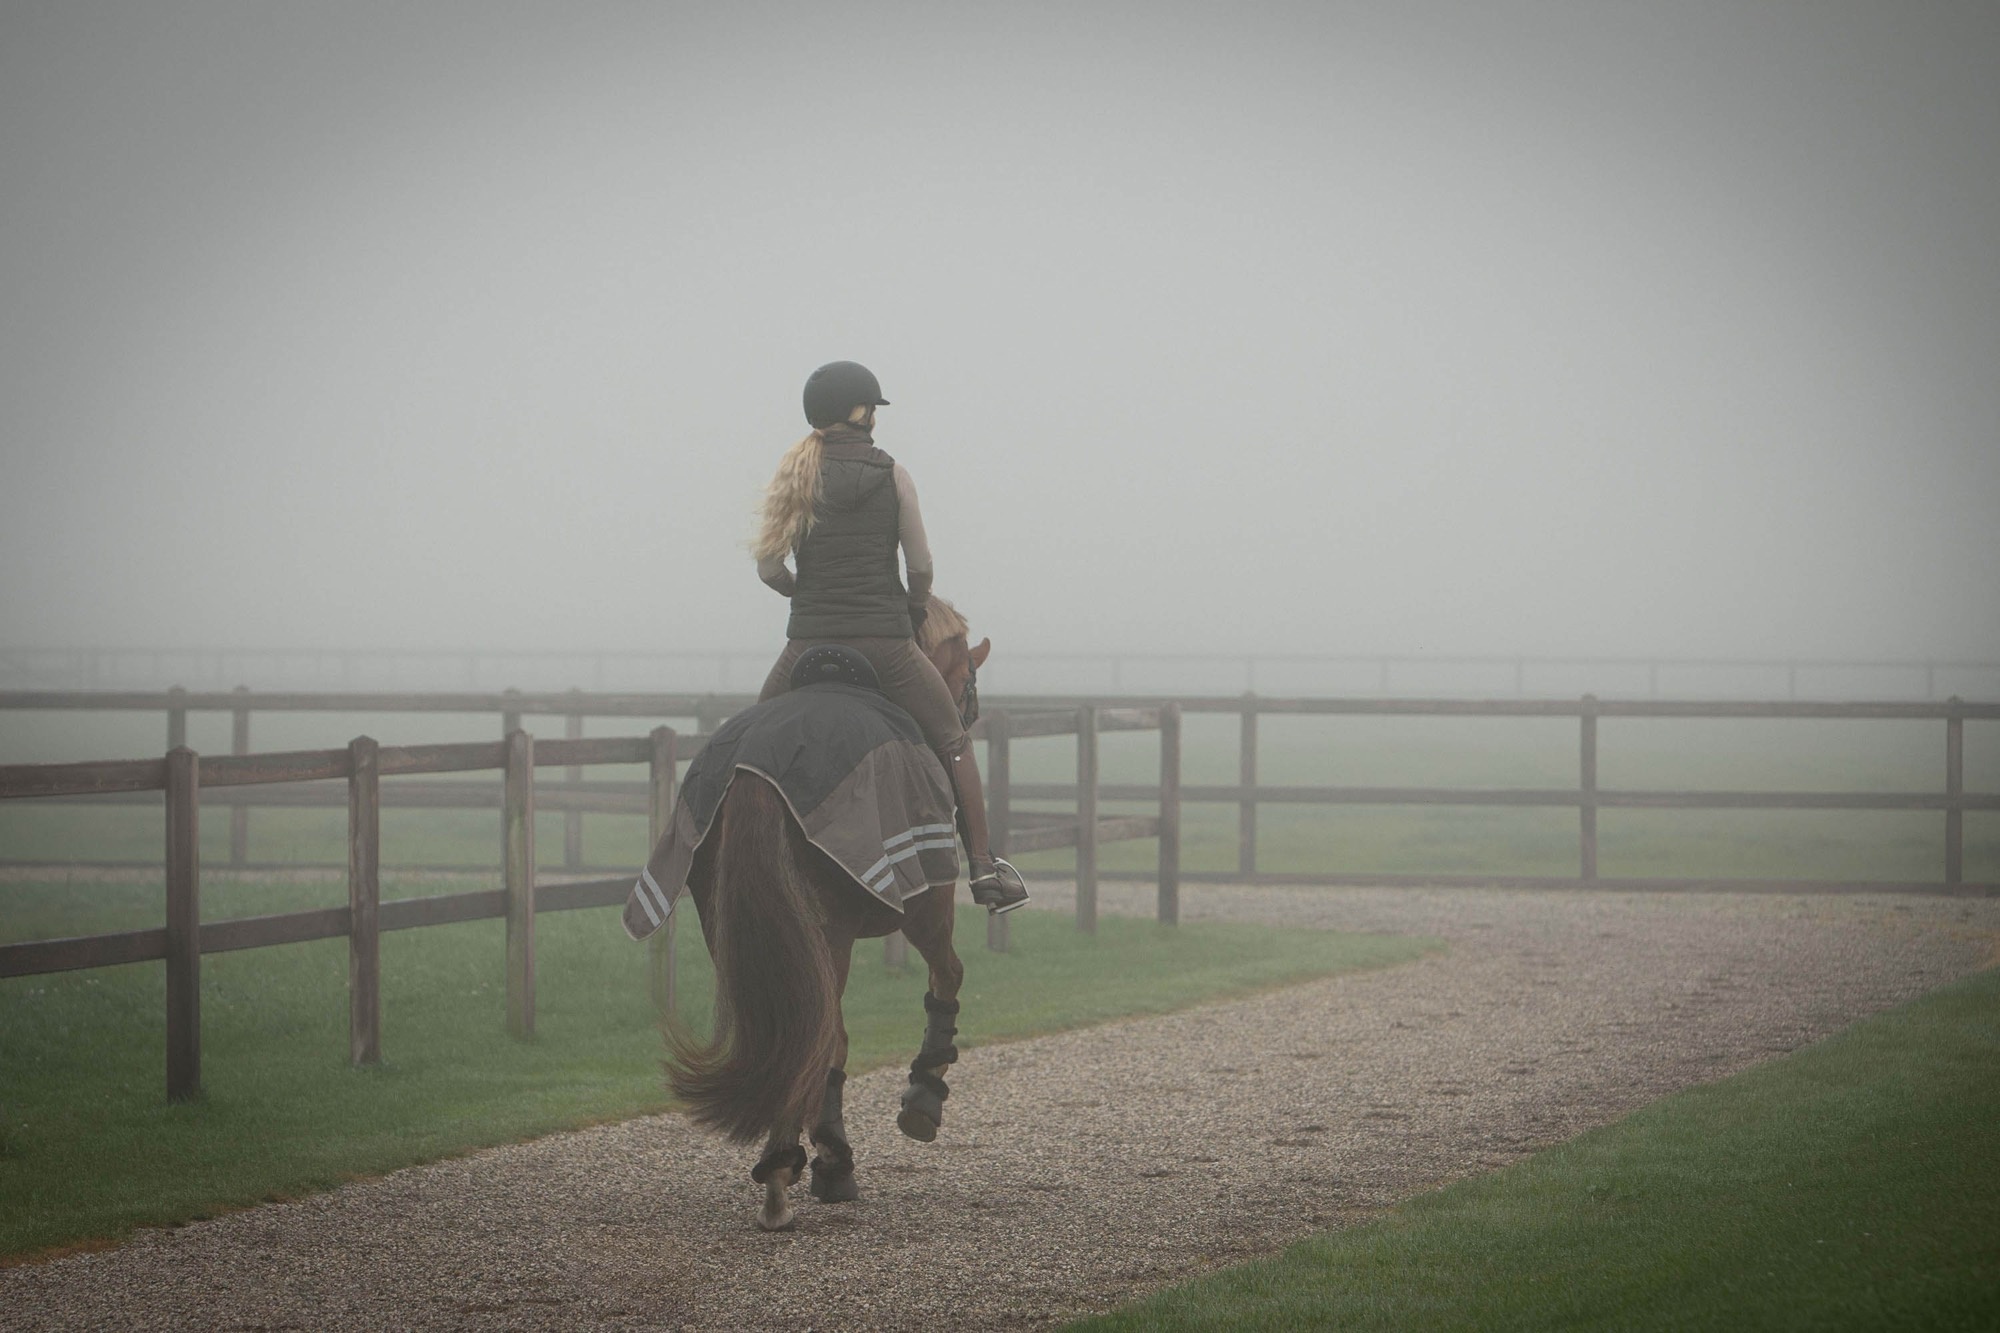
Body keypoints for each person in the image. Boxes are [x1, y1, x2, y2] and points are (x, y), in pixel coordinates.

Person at [751, 360, 1029, 914]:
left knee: (750, 743)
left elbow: (768, 567)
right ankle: (984, 869)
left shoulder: (793, 474)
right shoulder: (893, 474)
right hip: (885, 643)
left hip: (807, 642)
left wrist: (806, 596)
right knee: (953, 741)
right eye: (872, 407)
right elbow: (920, 565)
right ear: (861, 412)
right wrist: (913, 606)